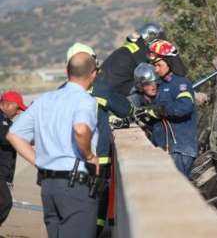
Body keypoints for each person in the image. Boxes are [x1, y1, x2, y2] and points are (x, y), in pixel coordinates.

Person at [7, 44, 100, 238]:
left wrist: (40, 161)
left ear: (67, 72)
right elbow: (81, 129)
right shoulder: (85, 100)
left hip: (48, 186)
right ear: (93, 74)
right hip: (75, 186)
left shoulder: (45, 99)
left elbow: (14, 134)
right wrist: (90, 156)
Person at [65, 43, 134, 237]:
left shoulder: (61, 92)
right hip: (98, 159)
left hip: (69, 162)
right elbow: (126, 109)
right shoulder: (101, 89)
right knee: (97, 205)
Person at [140, 40, 196, 178]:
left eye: (159, 65)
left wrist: (160, 110)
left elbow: (184, 107)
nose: (156, 69)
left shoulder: (180, 83)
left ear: (169, 62)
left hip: (179, 150)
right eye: (154, 66)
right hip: (166, 148)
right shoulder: (162, 85)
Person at [100, 22, 166, 96]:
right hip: (116, 92)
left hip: (103, 88)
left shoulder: (132, 48)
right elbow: (148, 77)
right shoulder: (142, 54)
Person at [0, 91, 27, 226]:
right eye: (18, 109)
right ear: (7, 105)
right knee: (5, 203)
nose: (18, 113)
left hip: (5, 173)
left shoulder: (7, 122)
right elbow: (5, 137)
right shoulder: (1, 120)